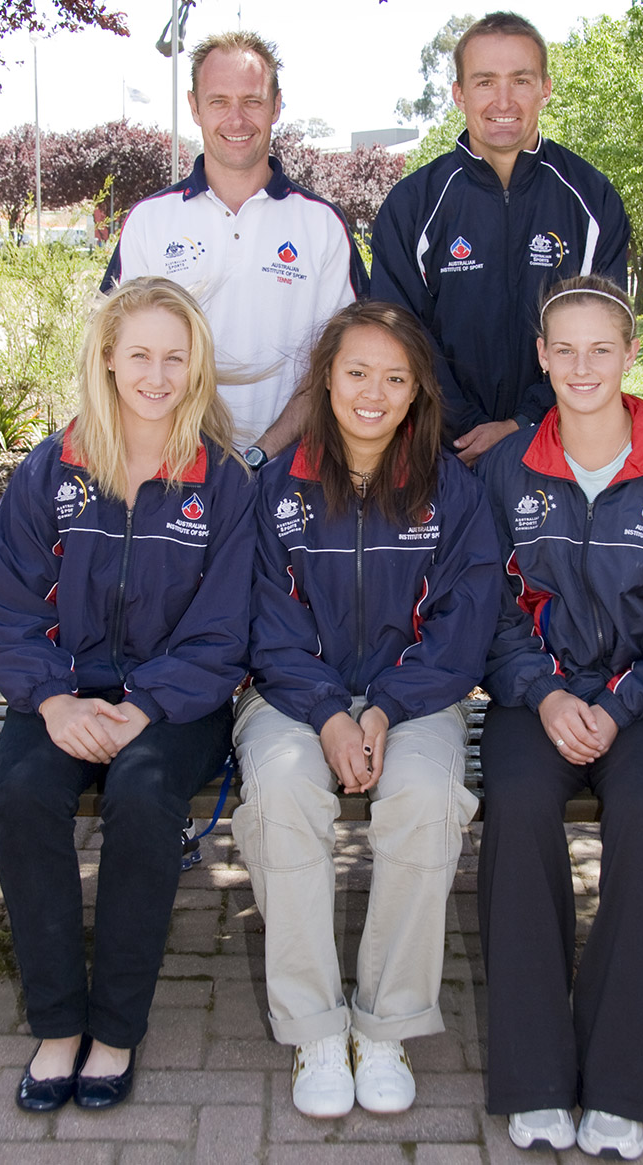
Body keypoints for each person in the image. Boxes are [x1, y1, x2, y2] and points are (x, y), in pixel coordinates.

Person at [0, 277, 255, 1112]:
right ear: (107, 359)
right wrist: (54, 700)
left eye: (175, 357)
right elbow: (7, 607)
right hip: (61, 690)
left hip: (176, 704)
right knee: (23, 793)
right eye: (140, 355)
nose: (157, 376)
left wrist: (145, 706)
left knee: (142, 792)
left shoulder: (224, 482)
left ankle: (117, 1028)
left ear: (196, 365)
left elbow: (226, 628)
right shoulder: (49, 468)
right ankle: (60, 1024)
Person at [475, 276, 643, 1158]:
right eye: (565, 349)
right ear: (541, 356)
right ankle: (535, 1075)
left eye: (601, 349)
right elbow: (490, 610)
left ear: (631, 354)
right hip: (539, 696)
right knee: (516, 805)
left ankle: (621, 1080)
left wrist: (619, 704)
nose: (582, 366)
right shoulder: (508, 468)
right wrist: (547, 691)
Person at [231, 300, 502, 1118]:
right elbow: (264, 624)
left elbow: (462, 628)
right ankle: (315, 1025)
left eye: (395, 377)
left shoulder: (452, 491)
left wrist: (383, 707)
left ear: (418, 390)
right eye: (356, 373)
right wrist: (329, 714)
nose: (373, 393)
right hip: (291, 696)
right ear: (326, 379)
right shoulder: (275, 487)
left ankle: (386, 1024)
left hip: (415, 698)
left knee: (425, 797)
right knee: (282, 792)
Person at [370, 12, 630, 466]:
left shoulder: (592, 200)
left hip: (559, 448)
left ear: (545, 88)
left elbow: (603, 335)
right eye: (485, 81)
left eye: (521, 80)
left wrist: (524, 423)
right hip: (443, 454)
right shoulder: (413, 205)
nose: (503, 100)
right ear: (459, 93)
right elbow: (399, 335)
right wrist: (463, 427)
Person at [102, 30, 367, 463]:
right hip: (174, 467)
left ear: (276, 106)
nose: (236, 120)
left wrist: (262, 453)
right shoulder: (149, 220)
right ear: (194, 107)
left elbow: (343, 362)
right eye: (219, 101)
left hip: (289, 469)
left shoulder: (322, 225)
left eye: (252, 101)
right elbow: (115, 356)